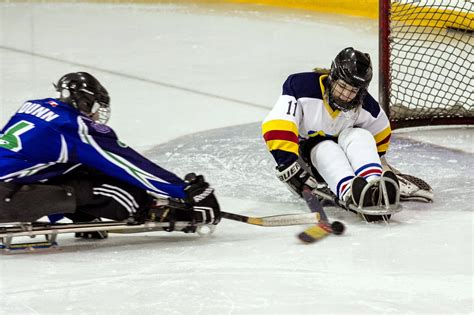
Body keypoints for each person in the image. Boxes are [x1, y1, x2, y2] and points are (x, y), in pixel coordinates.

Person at [0, 72, 220, 237]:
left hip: (8, 188)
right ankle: (163, 213)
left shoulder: (32, 107)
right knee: (109, 189)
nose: (96, 115)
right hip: (7, 197)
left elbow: (38, 163)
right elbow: (128, 164)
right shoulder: (73, 125)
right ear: (85, 101)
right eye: (95, 107)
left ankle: (81, 214)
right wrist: (186, 191)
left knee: (78, 168)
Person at [262, 47, 399, 219]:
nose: (346, 95)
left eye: (353, 90)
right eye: (342, 86)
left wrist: (379, 162)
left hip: (346, 160)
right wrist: (288, 165)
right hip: (307, 166)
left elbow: (381, 131)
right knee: (326, 147)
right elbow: (276, 124)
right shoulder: (301, 87)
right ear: (333, 77)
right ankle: (350, 193)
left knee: (359, 135)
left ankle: (373, 185)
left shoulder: (364, 104)